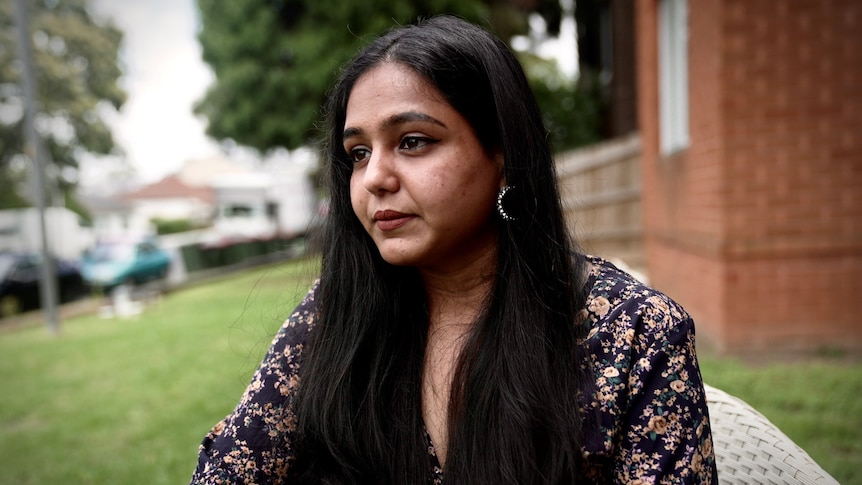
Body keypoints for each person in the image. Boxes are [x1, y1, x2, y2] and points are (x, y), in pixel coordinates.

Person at [190, 15, 717, 484]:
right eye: (357, 153)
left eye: (413, 141)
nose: (374, 177)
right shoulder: (334, 317)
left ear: (503, 153)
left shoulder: (633, 335)